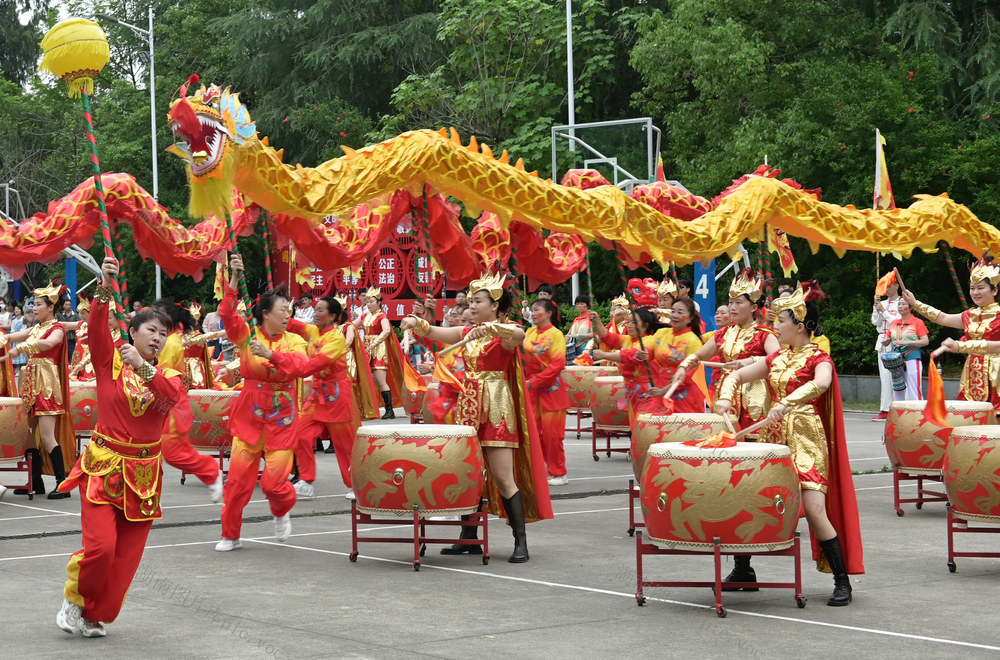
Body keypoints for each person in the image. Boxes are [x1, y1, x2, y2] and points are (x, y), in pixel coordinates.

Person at [55, 256, 183, 637]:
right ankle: (74, 598)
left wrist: (143, 368)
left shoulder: (169, 375)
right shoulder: (109, 361)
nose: (158, 337)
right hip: (103, 468)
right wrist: (104, 285)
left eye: (164, 333)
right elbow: (95, 327)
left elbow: (169, 397)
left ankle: (95, 613)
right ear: (133, 331)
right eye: (151, 330)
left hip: (144, 476)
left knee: (126, 559)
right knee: (102, 549)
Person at [715, 283, 864, 606]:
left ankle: (842, 581)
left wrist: (790, 401)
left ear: (800, 326)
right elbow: (735, 376)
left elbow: (821, 383)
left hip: (805, 438)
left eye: (781, 321)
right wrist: (725, 399)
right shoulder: (776, 358)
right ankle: (743, 571)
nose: (776, 326)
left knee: (813, 509)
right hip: (772, 438)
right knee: (749, 500)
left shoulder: (819, 358)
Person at [401, 272, 553, 562]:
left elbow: (519, 336)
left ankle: (520, 541)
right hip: (469, 405)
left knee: (503, 477)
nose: (471, 306)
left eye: (477, 301)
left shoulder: (506, 331)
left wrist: (495, 330)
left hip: (495, 406)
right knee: (468, 475)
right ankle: (468, 537)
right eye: (470, 301)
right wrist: (415, 323)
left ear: (495, 306)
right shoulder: (467, 332)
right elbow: (434, 333)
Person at [214, 254, 314, 551]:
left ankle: (281, 509)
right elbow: (228, 315)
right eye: (283, 310)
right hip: (249, 418)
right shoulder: (247, 336)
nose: (288, 315)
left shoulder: (293, 340)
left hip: (281, 421)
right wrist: (233, 278)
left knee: (273, 484)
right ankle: (230, 534)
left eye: (290, 310)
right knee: (238, 483)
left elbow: (301, 366)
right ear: (266, 313)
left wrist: (270, 355)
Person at [674, 268, 780, 430]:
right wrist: (683, 366)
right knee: (724, 444)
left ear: (753, 308)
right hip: (726, 396)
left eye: (739, 303)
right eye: (731, 302)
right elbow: (699, 356)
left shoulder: (764, 335)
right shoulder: (723, 334)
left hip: (754, 397)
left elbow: (779, 362)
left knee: (752, 447)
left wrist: (751, 361)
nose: (733, 307)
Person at [1, 284, 75, 499]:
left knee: (47, 435)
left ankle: (63, 484)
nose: (33, 308)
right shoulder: (35, 328)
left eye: (38, 304)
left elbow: (50, 344)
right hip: (31, 383)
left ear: (50, 307)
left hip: (47, 384)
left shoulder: (57, 329)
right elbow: (13, 336)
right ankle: (36, 482)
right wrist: (3, 338)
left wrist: (24, 347)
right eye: (33, 304)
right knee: (29, 434)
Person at [903, 255, 1000, 410]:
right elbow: (943, 317)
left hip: (997, 373)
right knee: (971, 416)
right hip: (972, 372)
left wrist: (961, 346)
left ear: (994, 290)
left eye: (980, 288)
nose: (975, 292)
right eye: (972, 288)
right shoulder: (969, 315)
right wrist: (916, 304)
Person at [286, 296, 358, 500]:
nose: (315, 314)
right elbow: (293, 325)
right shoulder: (313, 331)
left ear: (332, 316)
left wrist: (291, 367)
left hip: (336, 395)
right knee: (300, 434)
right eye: (315, 310)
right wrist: (275, 312)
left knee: (344, 445)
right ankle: (306, 481)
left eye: (320, 311)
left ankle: (356, 485)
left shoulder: (336, 337)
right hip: (317, 396)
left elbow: (318, 363)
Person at [153, 299, 223, 503]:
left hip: (172, 402)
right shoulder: (164, 340)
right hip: (161, 401)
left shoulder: (171, 343)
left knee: (172, 451)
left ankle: (211, 471)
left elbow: (159, 375)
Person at [523, 298, 571, 486]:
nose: (533, 313)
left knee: (552, 436)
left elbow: (558, 365)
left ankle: (558, 472)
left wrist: (533, 382)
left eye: (537, 310)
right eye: (532, 310)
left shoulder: (555, 334)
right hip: (532, 390)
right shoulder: (529, 331)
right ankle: (537, 467)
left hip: (551, 390)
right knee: (533, 433)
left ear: (549, 313)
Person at [358, 287, 407, 419]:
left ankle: (389, 410)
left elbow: (386, 331)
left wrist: (375, 343)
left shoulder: (382, 316)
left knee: (380, 381)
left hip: (378, 350)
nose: (368, 304)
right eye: (367, 302)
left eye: (371, 301)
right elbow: (351, 325)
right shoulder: (364, 316)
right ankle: (365, 409)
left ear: (379, 303)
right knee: (363, 379)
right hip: (366, 349)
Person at [881, 298, 929, 401]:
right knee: (898, 390)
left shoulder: (917, 322)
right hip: (896, 362)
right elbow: (888, 339)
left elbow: (925, 341)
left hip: (911, 359)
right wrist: (886, 341)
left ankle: (917, 414)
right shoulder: (894, 323)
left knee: (914, 390)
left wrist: (907, 342)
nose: (900, 306)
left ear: (911, 307)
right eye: (899, 304)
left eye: (903, 304)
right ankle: (899, 415)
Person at [871, 278, 902, 419]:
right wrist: (876, 306)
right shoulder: (882, 303)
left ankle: (898, 407)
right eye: (885, 287)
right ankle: (884, 409)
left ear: (896, 286)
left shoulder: (901, 302)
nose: (887, 289)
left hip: (896, 340)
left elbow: (897, 322)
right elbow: (875, 322)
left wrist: (883, 311)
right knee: (884, 376)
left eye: (889, 286)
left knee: (896, 376)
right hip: (882, 341)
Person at [69, 299, 94, 381]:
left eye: (83, 313)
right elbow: (65, 325)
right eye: (80, 313)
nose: (81, 316)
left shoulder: (97, 326)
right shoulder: (82, 324)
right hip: (78, 355)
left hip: (90, 356)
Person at [565, 295, 594, 363]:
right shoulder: (576, 319)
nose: (579, 306)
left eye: (582, 304)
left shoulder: (590, 318)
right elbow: (569, 334)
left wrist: (578, 335)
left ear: (587, 306)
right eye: (577, 304)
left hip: (585, 348)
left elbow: (594, 335)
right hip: (573, 350)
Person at [9, 306, 27, 378]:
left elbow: (24, 328)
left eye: (18, 309)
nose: (16, 310)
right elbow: (12, 329)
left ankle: (21, 369)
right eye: (15, 309)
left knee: (22, 353)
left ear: (21, 310)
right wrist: (14, 334)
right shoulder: (14, 320)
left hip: (21, 338)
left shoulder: (23, 319)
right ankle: (16, 369)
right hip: (15, 339)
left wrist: (19, 334)